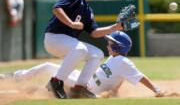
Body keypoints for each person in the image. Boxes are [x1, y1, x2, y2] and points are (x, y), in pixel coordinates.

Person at [0, 31, 165, 98]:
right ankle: (13, 81)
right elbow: (121, 75)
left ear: (118, 47)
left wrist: (156, 90)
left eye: (111, 42)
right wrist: (115, 91)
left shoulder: (124, 61)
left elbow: (139, 76)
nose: (108, 44)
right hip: (80, 79)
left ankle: (17, 83)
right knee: (48, 71)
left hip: (86, 88)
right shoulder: (115, 60)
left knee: (49, 72)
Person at [43, 0, 127, 99]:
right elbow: (57, 8)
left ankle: (79, 88)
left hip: (67, 43)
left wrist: (114, 27)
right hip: (54, 38)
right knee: (80, 49)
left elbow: (94, 32)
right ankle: (55, 82)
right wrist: (71, 23)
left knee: (97, 54)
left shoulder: (88, 9)